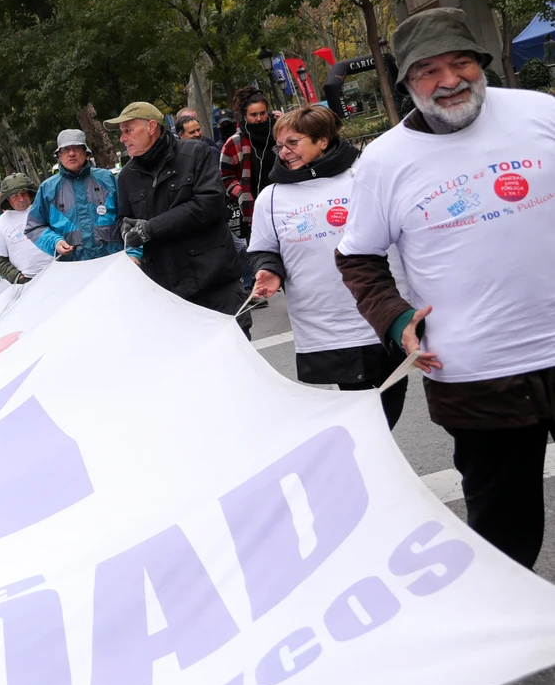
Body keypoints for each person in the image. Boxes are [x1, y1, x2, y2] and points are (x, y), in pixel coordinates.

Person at [337, 7, 555, 569]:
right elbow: (357, 257)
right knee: (504, 533)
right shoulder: (384, 161)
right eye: (429, 70)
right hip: (474, 376)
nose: (450, 80)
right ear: (406, 81)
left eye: (461, 62)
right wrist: (393, 319)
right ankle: (512, 641)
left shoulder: (540, 114)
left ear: (480, 62)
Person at [247, 105, 407, 428]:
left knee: (392, 393)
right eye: (280, 145)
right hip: (326, 323)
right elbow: (264, 248)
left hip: (381, 312)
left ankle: (372, 460)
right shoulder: (272, 197)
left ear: (322, 140)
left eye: (293, 142)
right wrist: (269, 270)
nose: (284, 152)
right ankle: (371, 463)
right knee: (359, 406)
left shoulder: (365, 175)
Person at [109, 102, 249, 333]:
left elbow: (209, 204)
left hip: (213, 284)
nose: (122, 138)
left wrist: (150, 229)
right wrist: (126, 231)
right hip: (166, 293)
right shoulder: (126, 176)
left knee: (235, 362)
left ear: (151, 126)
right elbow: (124, 219)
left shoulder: (195, 153)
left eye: (128, 130)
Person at [26, 129, 123, 262]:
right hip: (73, 268)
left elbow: (128, 217)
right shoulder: (47, 189)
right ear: (59, 155)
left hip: (113, 262)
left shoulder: (107, 179)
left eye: (76, 148)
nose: (71, 153)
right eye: (66, 149)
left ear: (86, 153)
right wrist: (55, 242)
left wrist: (134, 253)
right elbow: (34, 226)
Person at [221, 85, 277, 242]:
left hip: (284, 205)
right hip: (254, 212)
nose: (258, 118)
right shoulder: (234, 143)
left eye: (262, 113)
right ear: (245, 116)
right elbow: (226, 176)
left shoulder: (280, 134)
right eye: (253, 114)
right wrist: (242, 194)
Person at [0, 173, 56, 284]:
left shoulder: (46, 210)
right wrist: (18, 278)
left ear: (30, 193)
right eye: (15, 196)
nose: (21, 199)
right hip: (28, 283)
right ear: (7, 198)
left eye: (24, 193)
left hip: (59, 271)